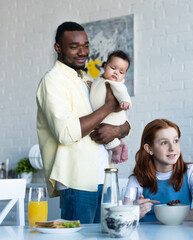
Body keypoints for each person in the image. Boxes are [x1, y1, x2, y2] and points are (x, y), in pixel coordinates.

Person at [36, 21, 130, 224]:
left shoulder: (89, 79)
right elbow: (66, 133)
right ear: (58, 48)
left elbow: (121, 121)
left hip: (103, 178)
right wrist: (108, 107)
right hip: (76, 181)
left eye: (85, 45)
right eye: (74, 46)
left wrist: (119, 129)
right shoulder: (52, 81)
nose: (82, 52)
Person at [126, 119, 193, 222]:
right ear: (149, 149)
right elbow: (123, 216)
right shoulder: (136, 179)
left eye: (175, 141)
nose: (172, 148)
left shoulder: (191, 171)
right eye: (164, 143)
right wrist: (133, 212)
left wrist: (166, 215)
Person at [90, 50, 131, 164]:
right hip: (104, 115)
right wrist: (91, 85)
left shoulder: (116, 84)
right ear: (105, 66)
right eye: (113, 68)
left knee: (104, 133)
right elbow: (96, 88)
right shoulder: (100, 80)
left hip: (111, 118)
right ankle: (121, 144)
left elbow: (122, 93)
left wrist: (125, 101)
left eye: (121, 72)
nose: (116, 73)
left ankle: (116, 149)